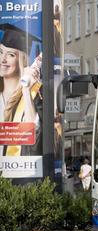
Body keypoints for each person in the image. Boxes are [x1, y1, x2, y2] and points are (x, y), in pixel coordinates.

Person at [0, 24, 43, 156]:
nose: (3, 59)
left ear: (22, 60)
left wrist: (26, 90)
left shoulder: (34, 93)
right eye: (1, 52)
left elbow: (32, 132)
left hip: (18, 166)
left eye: (11, 55)